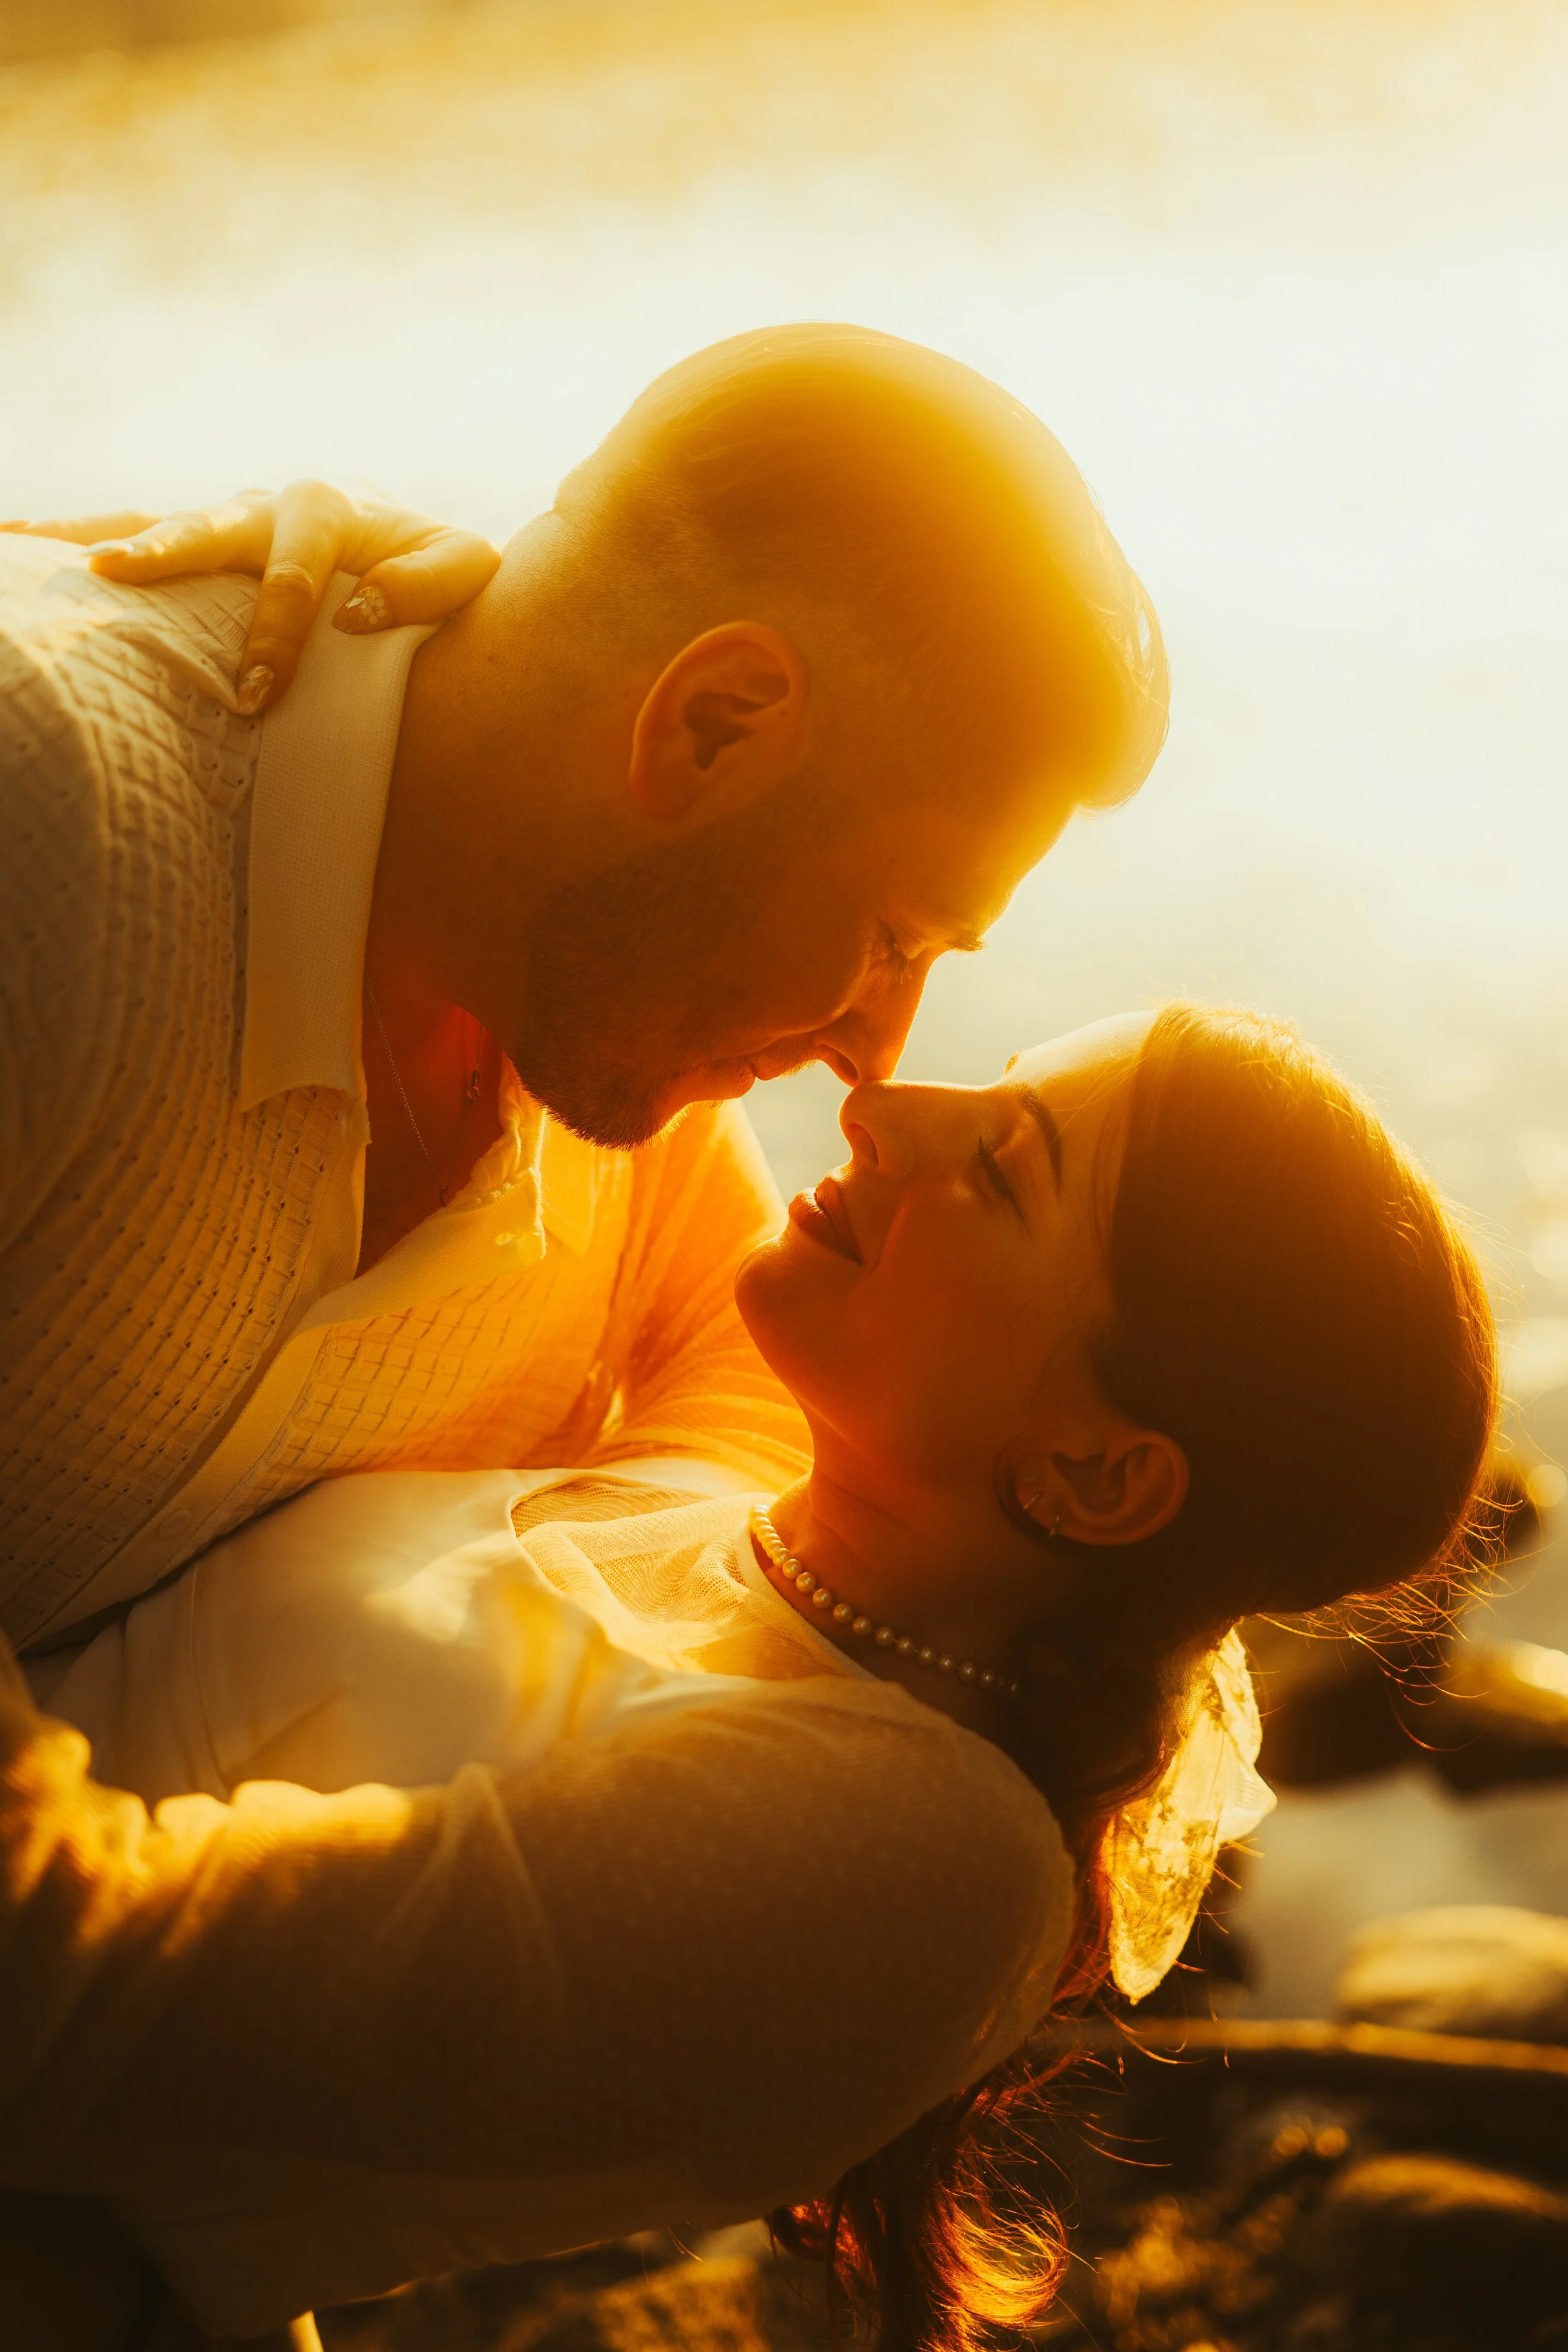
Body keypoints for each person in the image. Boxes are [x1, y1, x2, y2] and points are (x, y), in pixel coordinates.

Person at [14, 1005, 1498, 2351]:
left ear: (1098, 1472)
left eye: (1002, 1168)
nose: (878, 1107)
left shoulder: (916, 1862)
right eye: (984, 1077)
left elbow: (67, 1978)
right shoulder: (759, 1484)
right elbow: (604, 1035)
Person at [0, 322, 1165, 1659]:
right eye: (894, 936)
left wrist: (465, 1671)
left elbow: (781, 1402)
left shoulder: (606, 1063)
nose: (875, 1057)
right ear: (712, 723)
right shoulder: (55, 834)